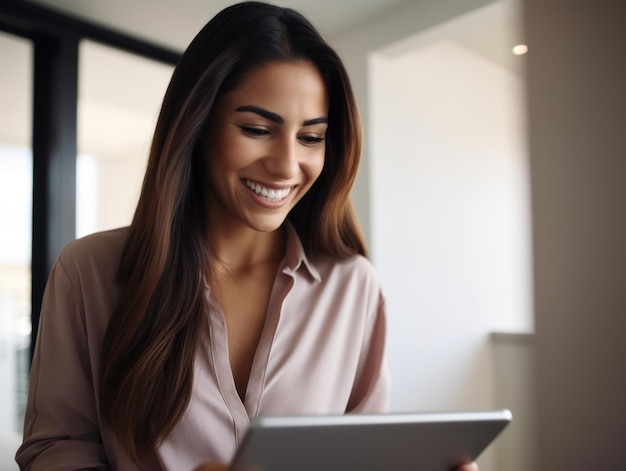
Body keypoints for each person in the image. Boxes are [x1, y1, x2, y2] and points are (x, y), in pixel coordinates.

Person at [16, 2, 479, 470]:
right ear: (198, 126)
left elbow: (363, 458)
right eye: (257, 129)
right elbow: (55, 450)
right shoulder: (89, 273)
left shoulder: (354, 286)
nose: (286, 165)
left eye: (311, 137)